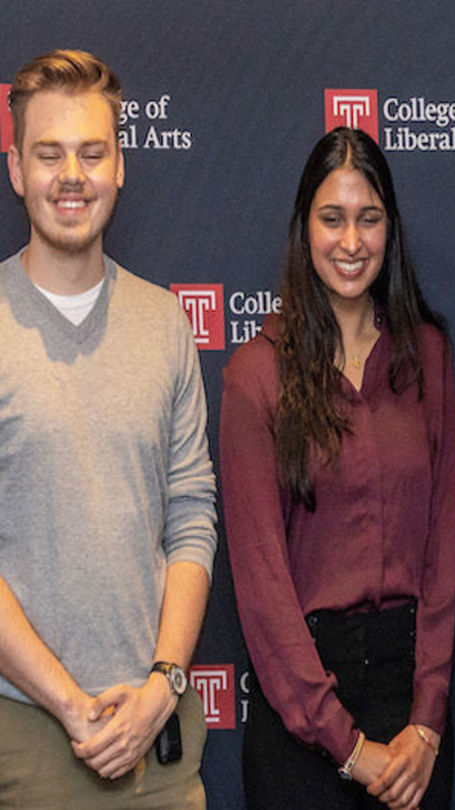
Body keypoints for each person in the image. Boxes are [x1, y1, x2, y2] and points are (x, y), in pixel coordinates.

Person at [0, 49, 217, 806]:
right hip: (25, 745)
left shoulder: (165, 324)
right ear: (17, 168)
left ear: (120, 165)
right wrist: (68, 703)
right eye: (49, 153)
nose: (71, 176)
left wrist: (163, 685)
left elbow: (192, 519)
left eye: (92, 153)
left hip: (160, 745)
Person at [220, 127, 455, 810]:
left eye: (369, 219)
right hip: (302, 722)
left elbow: (443, 551)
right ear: (304, 228)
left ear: (391, 230)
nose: (351, 242)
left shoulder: (428, 357)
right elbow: (264, 591)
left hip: (415, 719)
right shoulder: (255, 375)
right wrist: (347, 747)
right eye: (332, 219)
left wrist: (428, 720)